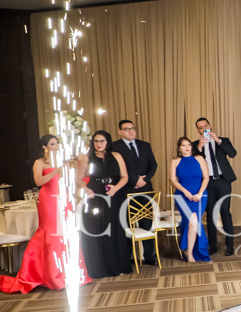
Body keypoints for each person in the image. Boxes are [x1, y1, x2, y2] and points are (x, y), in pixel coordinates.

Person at [1, 135, 91, 293]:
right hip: (48, 199)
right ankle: (52, 276)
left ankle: (69, 274)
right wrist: (55, 171)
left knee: (65, 233)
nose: (56, 146)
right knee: (51, 233)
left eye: (57, 143)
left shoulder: (63, 161)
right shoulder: (40, 162)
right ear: (44, 147)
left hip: (63, 199)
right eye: (52, 143)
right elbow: (38, 182)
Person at [77, 130, 132, 279]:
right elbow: (78, 179)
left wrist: (116, 188)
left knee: (115, 229)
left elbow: (125, 177)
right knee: (99, 229)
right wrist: (86, 190)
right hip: (95, 195)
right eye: (96, 141)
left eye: (102, 141)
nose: (99, 144)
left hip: (115, 194)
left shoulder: (116, 156)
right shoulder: (87, 157)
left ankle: (117, 265)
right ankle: (99, 267)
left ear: (108, 142)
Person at [111, 119, 159, 265]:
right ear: (120, 131)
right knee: (126, 223)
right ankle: (129, 256)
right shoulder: (114, 147)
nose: (131, 131)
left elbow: (153, 165)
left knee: (146, 221)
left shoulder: (145, 145)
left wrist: (144, 179)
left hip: (145, 188)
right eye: (127, 129)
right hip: (125, 189)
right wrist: (134, 180)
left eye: (132, 128)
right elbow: (116, 168)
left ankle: (149, 255)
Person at [192, 118, 237, 256]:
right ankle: (213, 246)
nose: (204, 128)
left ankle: (230, 246)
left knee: (225, 212)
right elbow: (193, 163)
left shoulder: (223, 140)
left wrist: (218, 140)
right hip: (207, 183)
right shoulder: (194, 145)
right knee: (211, 214)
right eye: (200, 127)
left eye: (205, 125)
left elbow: (233, 154)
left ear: (210, 126)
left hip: (223, 180)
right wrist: (199, 147)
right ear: (198, 130)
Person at [171, 137, 210, 263]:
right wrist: (185, 191)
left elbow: (206, 178)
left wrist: (200, 193)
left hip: (200, 195)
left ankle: (189, 251)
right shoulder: (175, 161)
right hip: (183, 196)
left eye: (188, 144)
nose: (187, 147)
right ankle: (190, 251)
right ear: (179, 148)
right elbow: (173, 180)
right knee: (192, 222)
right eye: (183, 145)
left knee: (193, 222)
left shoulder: (199, 158)